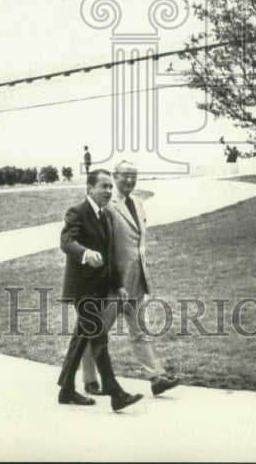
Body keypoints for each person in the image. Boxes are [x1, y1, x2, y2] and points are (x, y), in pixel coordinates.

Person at [82, 161, 178, 398]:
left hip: (137, 280)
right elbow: (106, 246)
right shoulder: (107, 206)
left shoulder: (138, 203)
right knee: (97, 331)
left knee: (139, 331)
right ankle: (90, 379)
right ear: (115, 177)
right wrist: (114, 281)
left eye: (133, 176)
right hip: (115, 284)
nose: (129, 181)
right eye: (125, 176)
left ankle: (156, 378)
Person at [56, 168, 142, 413]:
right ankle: (116, 393)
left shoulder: (105, 216)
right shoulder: (77, 212)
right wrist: (84, 253)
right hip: (82, 289)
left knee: (81, 338)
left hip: (100, 289)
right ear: (89, 188)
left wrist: (119, 285)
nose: (108, 191)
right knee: (99, 339)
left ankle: (66, 390)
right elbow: (66, 242)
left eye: (109, 187)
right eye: (103, 186)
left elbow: (110, 255)